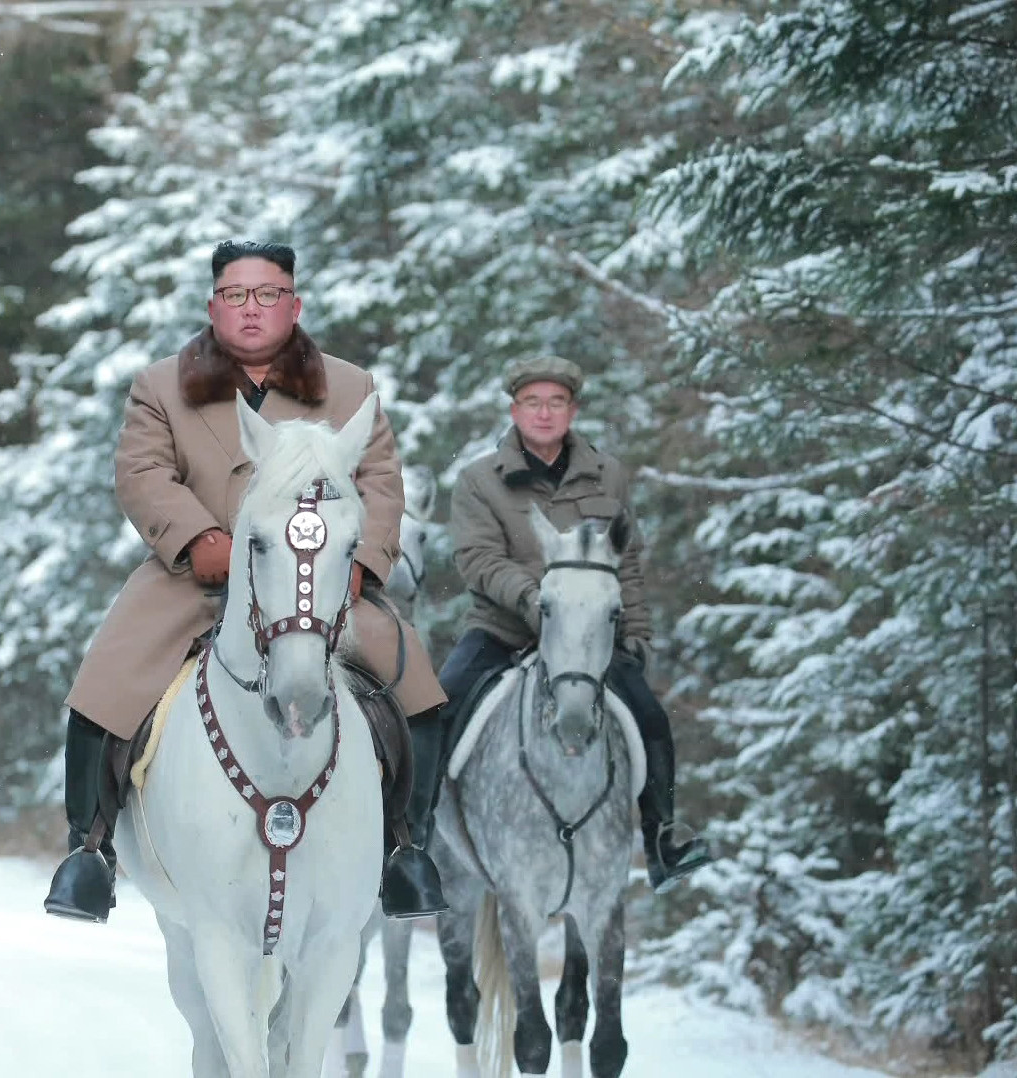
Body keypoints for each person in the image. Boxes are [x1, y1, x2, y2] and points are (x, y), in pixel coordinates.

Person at [43, 241, 449, 923]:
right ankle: (90, 851)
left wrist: (361, 562)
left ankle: (407, 849)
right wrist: (200, 538)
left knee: (421, 695)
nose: (252, 309)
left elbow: (380, 479)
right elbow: (142, 474)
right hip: (194, 579)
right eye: (236, 295)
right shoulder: (160, 386)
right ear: (213, 306)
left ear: (294, 305)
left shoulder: (350, 388)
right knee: (101, 690)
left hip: (314, 583)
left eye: (267, 295)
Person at [438, 354, 713, 892]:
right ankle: (412, 849)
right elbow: (477, 559)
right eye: (533, 403)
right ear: (515, 410)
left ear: (573, 409)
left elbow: (624, 561)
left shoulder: (608, 474)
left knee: (651, 718)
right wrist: (535, 599)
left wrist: (634, 631)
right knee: (436, 711)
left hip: (590, 640)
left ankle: (662, 840)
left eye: (556, 403)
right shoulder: (477, 480)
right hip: (503, 628)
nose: (545, 414)